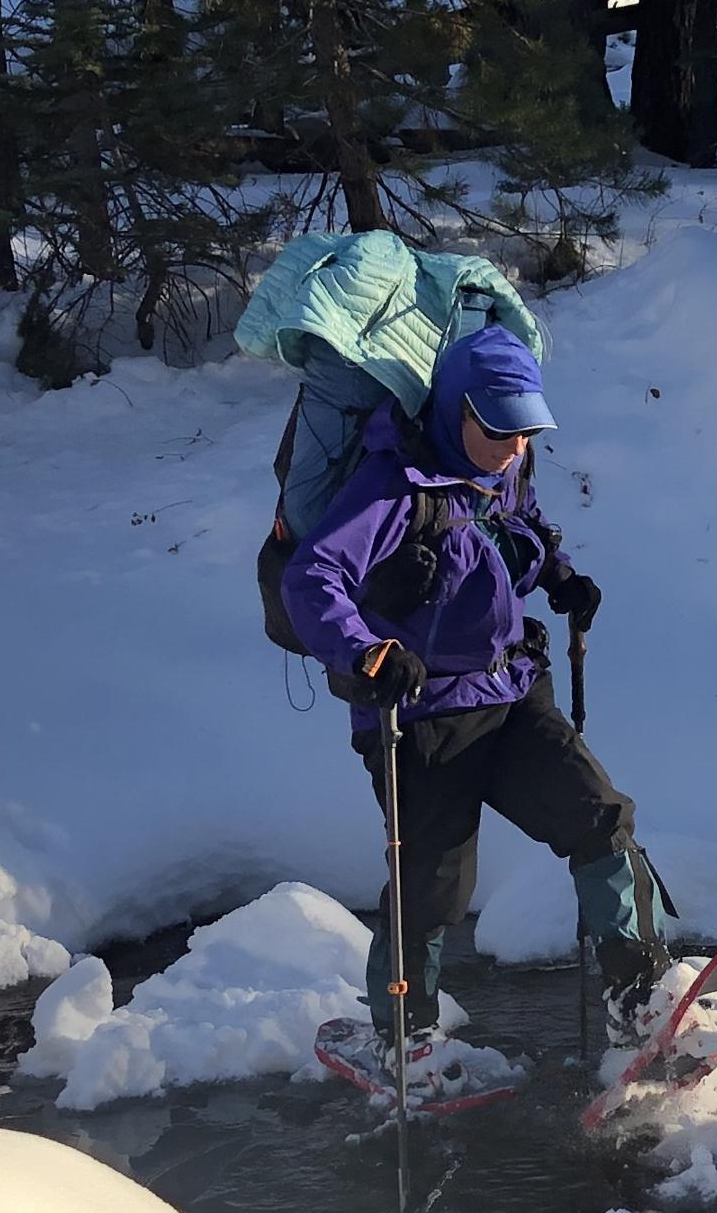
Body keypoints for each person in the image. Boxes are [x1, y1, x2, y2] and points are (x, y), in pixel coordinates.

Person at [281, 322, 664, 1049]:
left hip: (513, 692)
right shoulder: (391, 487)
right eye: (498, 429)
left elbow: (517, 520)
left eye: (525, 431)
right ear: (456, 410)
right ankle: (407, 1037)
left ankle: (643, 998)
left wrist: (561, 578)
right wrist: (369, 654)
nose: (514, 446)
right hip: (422, 718)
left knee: (599, 816)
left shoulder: (505, 467)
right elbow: (312, 578)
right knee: (432, 891)